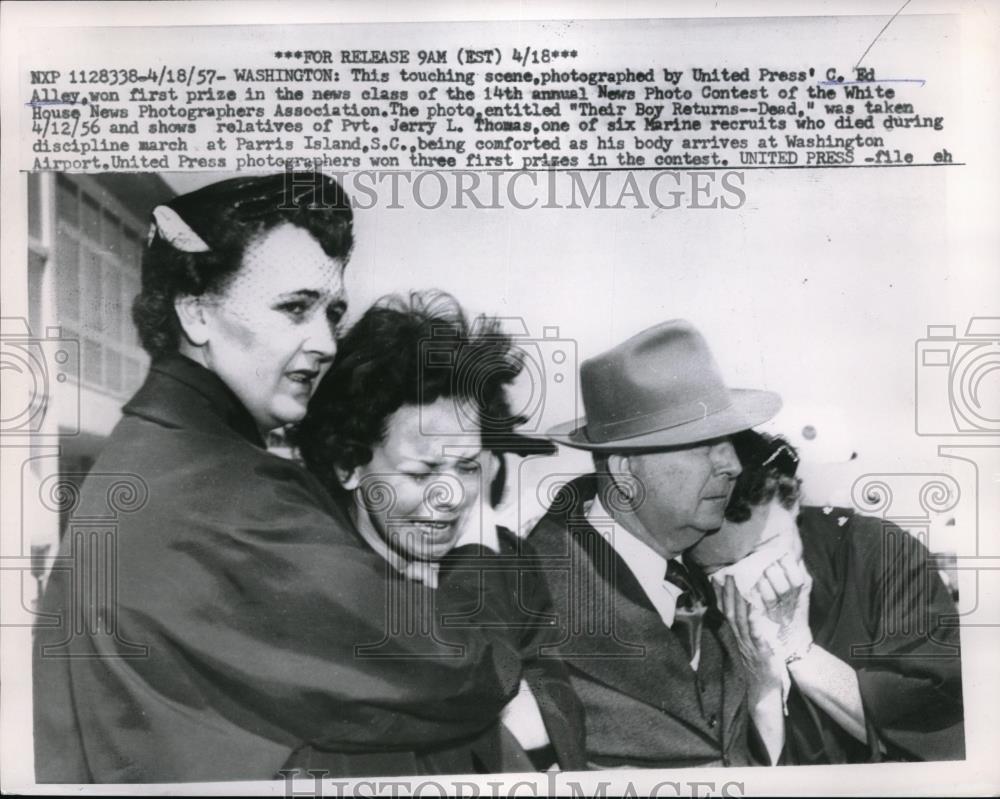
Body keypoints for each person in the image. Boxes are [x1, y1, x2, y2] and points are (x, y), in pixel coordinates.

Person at [33, 174, 525, 783]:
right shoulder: (226, 493)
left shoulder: (152, 453)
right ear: (197, 313)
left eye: (332, 312)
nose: (323, 342)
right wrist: (479, 539)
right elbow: (466, 671)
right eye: (294, 308)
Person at [294, 291, 586, 773]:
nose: (450, 496)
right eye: (422, 472)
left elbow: (563, 722)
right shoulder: (320, 590)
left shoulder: (511, 560)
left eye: (468, 466)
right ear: (348, 463)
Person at [528, 319, 786, 768]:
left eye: (727, 441)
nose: (731, 465)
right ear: (626, 472)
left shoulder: (701, 589)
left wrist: (766, 694)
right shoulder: (529, 601)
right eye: (702, 443)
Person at [690, 429, 966, 764]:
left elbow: (938, 732)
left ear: (792, 505)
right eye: (719, 567)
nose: (748, 581)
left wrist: (799, 651)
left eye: (763, 550)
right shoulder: (688, 598)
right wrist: (763, 689)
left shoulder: (881, 554)